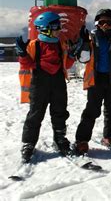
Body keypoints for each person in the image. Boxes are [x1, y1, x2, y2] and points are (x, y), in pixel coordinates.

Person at [16, 12, 75, 162]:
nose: (59, 29)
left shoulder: (60, 44)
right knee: (35, 114)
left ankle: (60, 139)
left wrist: (72, 54)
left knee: (60, 112)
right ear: (45, 28)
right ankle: (28, 143)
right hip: (39, 83)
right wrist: (23, 54)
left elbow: (66, 65)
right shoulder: (34, 45)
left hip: (58, 82)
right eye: (56, 26)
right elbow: (27, 64)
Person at [73, 9, 111, 155]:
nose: (105, 25)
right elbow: (83, 59)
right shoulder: (91, 38)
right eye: (101, 22)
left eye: (109, 22)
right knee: (92, 111)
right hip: (96, 79)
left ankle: (110, 136)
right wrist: (85, 43)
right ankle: (82, 140)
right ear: (97, 23)